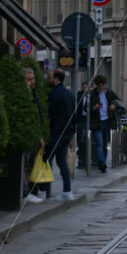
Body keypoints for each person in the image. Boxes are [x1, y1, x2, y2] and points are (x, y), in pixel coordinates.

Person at [46, 69, 76, 201]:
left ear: (56, 79)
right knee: (61, 161)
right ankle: (67, 191)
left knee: (47, 160)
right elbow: (73, 115)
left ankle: (43, 190)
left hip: (56, 132)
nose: (49, 80)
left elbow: (50, 113)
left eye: (50, 77)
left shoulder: (54, 94)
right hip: (67, 133)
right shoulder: (70, 95)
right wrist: (71, 134)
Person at [22, 68, 46, 203]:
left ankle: (32, 191)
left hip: (35, 134)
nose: (33, 82)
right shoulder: (24, 95)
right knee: (26, 165)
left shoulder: (34, 93)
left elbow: (38, 115)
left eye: (33, 79)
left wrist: (40, 135)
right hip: (28, 134)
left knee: (32, 165)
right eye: (29, 79)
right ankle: (26, 193)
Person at [90, 74, 119, 172]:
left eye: (102, 85)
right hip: (97, 122)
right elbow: (88, 108)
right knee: (99, 143)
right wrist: (95, 107)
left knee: (104, 145)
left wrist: (114, 105)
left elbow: (118, 102)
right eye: (99, 85)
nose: (101, 87)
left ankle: (102, 162)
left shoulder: (110, 93)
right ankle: (102, 164)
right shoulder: (93, 94)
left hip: (107, 121)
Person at [76, 82, 89, 168]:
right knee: (80, 138)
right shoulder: (79, 95)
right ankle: (81, 159)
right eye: (83, 88)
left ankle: (86, 159)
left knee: (87, 139)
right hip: (81, 119)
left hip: (89, 120)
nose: (85, 90)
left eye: (86, 88)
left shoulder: (91, 96)